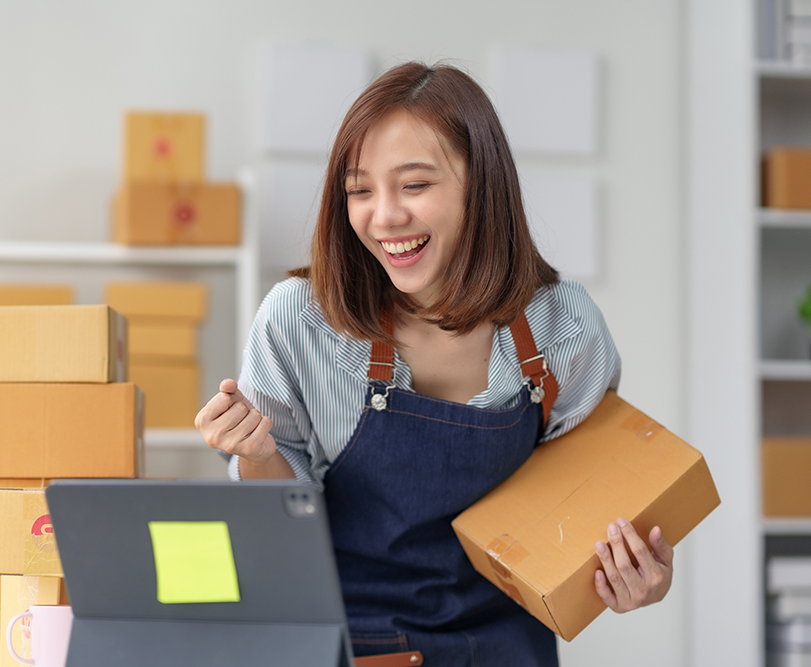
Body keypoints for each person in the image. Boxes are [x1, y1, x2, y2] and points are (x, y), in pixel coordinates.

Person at [195, 61, 673, 666]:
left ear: (482, 184)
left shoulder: (563, 327)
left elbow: (586, 510)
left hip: (509, 650)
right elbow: (284, 534)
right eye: (360, 189)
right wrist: (258, 455)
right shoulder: (301, 321)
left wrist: (633, 572)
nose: (385, 216)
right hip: (351, 649)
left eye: (415, 185)